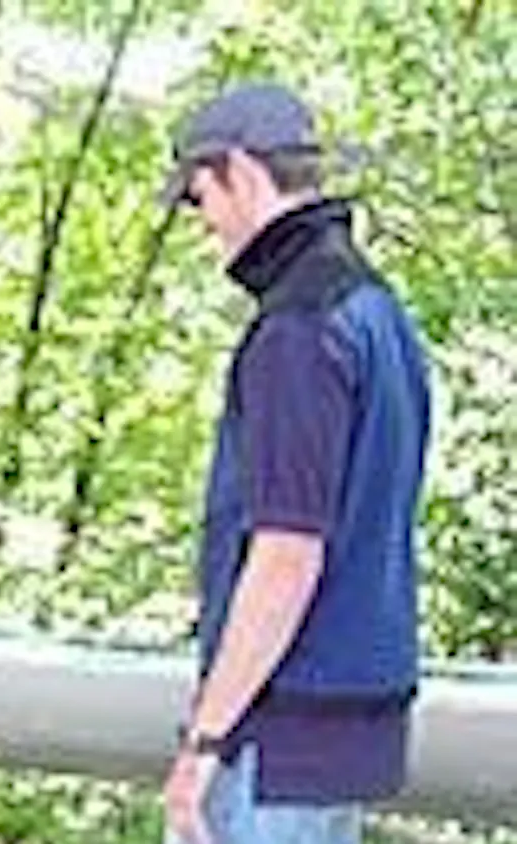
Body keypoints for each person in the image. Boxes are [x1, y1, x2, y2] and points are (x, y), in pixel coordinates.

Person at [157, 83, 431, 844]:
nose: (203, 224)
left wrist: (204, 740)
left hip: (277, 739)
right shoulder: (378, 310)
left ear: (241, 172)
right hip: (344, 732)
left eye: (199, 195)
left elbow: (286, 556)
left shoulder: (297, 332)